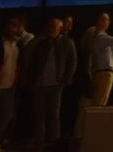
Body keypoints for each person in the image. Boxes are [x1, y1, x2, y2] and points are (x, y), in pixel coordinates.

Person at [22, 17, 77, 149]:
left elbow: (72, 62)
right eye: (50, 26)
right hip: (39, 83)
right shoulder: (41, 43)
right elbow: (33, 61)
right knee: (39, 112)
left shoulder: (66, 43)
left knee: (54, 112)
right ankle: (39, 139)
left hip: (56, 83)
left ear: (60, 28)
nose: (52, 29)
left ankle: (54, 140)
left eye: (55, 27)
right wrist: (31, 80)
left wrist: (65, 80)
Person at [0, 17, 25, 151]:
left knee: (6, 116)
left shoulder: (18, 45)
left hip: (9, 87)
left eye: (15, 26)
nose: (11, 29)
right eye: (9, 25)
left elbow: (18, 65)